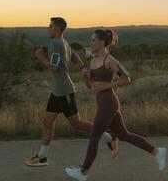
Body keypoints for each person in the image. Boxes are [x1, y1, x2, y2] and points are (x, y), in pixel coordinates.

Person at [65, 29, 166, 181]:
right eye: (91, 40)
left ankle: (83, 172)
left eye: (93, 40)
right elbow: (90, 86)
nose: (90, 43)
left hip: (108, 103)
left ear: (102, 42)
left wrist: (107, 85)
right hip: (103, 102)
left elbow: (127, 79)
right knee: (124, 135)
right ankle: (157, 152)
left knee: (94, 137)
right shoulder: (93, 61)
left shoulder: (110, 61)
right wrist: (86, 77)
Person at [25, 18, 119, 167]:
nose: (48, 28)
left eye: (50, 26)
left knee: (76, 124)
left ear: (57, 29)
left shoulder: (55, 44)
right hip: (57, 90)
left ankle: (109, 136)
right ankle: (42, 157)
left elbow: (54, 68)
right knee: (47, 122)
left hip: (64, 91)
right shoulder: (66, 43)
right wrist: (65, 72)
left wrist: (40, 56)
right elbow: (79, 62)